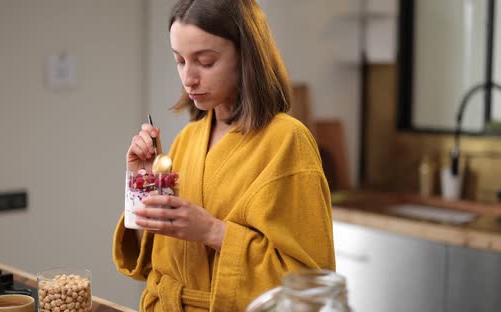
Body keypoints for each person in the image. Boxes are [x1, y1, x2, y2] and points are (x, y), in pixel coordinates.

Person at [112, 0, 335, 311]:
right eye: (180, 61)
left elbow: (310, 284)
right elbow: (153, 259)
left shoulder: (288, 141)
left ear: (246, 57)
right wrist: (142, 186)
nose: (188, 78)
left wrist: (212, 231)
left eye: (204, 62)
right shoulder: (188, 138)